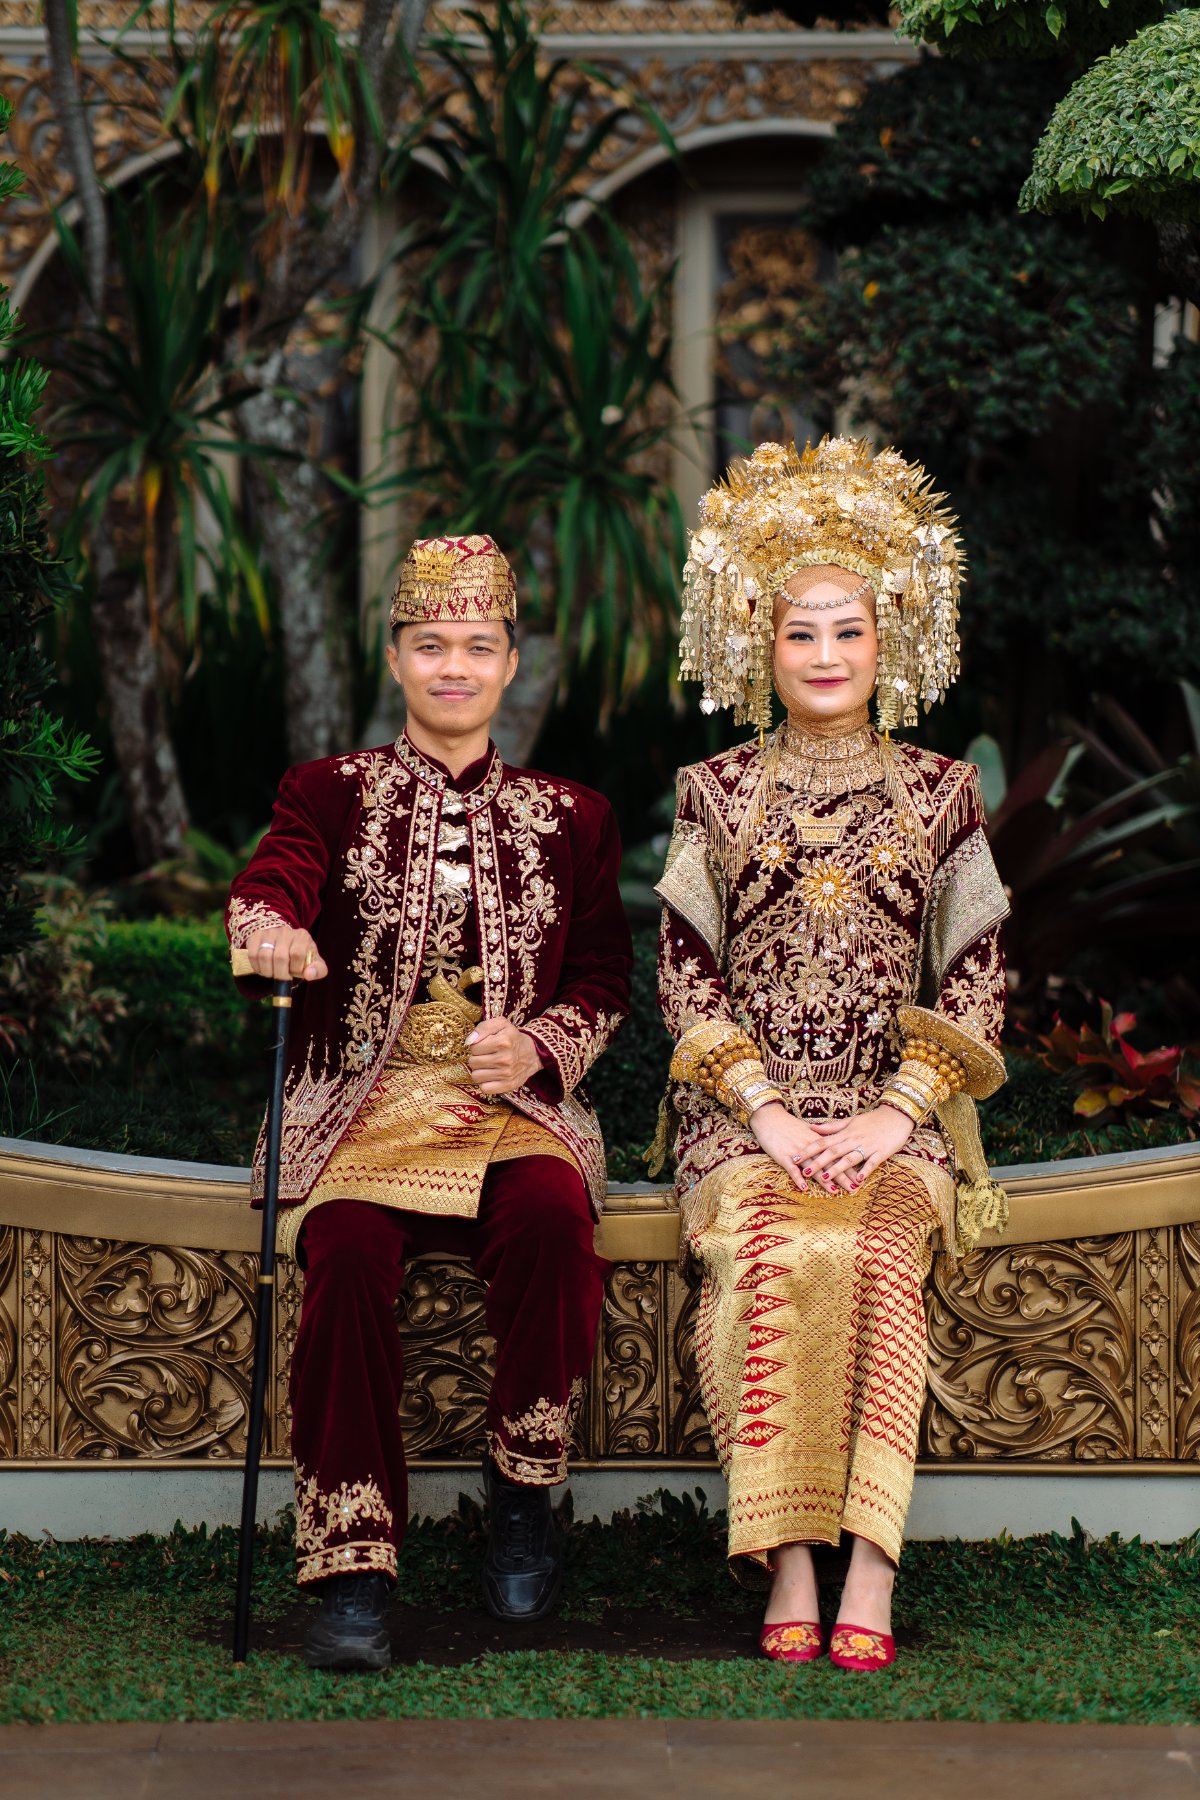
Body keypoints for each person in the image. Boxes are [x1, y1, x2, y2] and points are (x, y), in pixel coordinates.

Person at [226, 533, 631, 1671]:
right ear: (396, 656)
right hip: (360, 1105)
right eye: (432, 645)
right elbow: (276, 878)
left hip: (514, 1111)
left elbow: (606, 977)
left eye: (478, 646)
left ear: (511, 663)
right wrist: (269, 928)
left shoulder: (573, 816)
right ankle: (351, 1561)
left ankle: (522, 1492)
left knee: (553, 1224)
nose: (455, 667)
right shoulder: (327, 793)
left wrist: (541, 1045)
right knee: (347, 1254)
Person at [652, 438, 1009, 1672]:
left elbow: (977, 975)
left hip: (892, 1119)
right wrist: (764, 1113)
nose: (823, 655)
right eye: (799, 632)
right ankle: (790, 1555)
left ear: (888, 639)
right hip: (742, 1123)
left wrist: (896, 1115)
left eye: (847, 630)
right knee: (776, 1248)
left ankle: (872, 1559)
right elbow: (685, 973)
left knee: (871, 1253)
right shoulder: (714, 791)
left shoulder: (943, 794)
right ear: (758, 643)